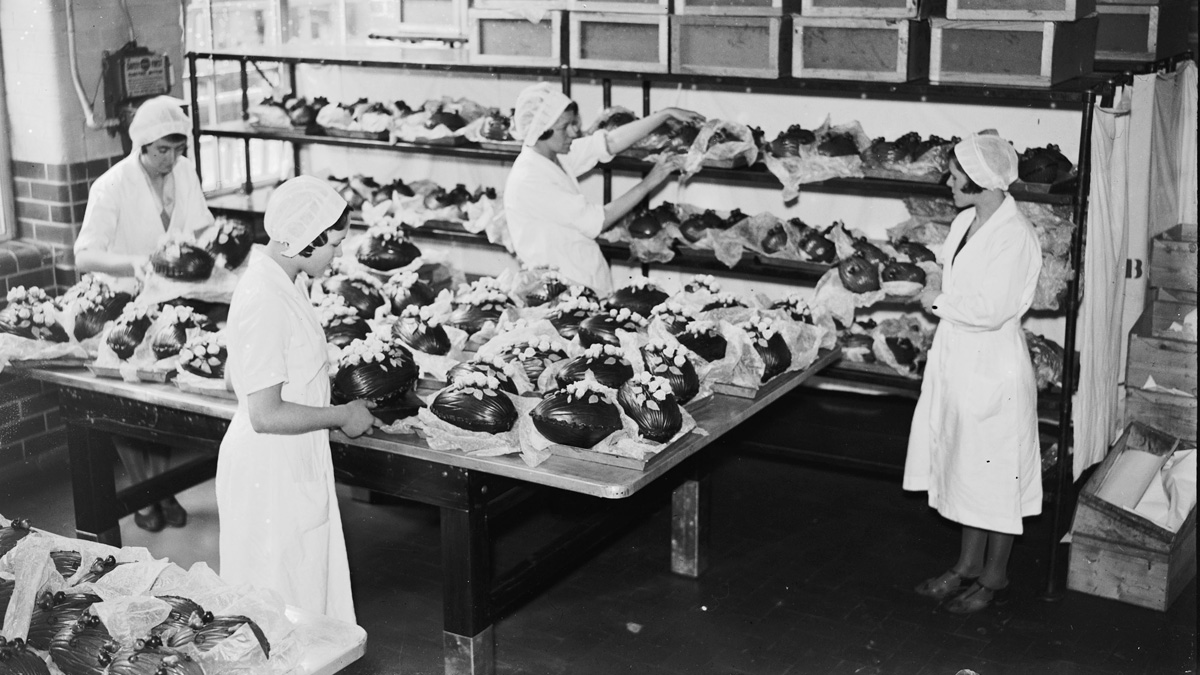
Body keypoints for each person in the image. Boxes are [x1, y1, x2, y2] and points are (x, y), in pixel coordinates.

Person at [216, 176, 379, 622]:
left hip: (289, 463)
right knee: (276, 613)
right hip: (268, 471)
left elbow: (236, 377)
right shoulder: (265, 296)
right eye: (336, 244)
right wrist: (341, 413)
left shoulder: (283, 281)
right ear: (307, 240)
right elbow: (265, 414)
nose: (340, 254)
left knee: (301, 600)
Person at [904, 134, 1043, 615]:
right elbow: (952, 272)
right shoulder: (965, 220)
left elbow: (991, 309)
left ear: (983, 181)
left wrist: (937, 301)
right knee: (966, 467)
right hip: (958, 360)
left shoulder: (1016, 236)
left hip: (993, 368)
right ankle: (965, 566)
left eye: (956, 174)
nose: (948, 181)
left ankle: (994, 576)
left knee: (997, 472)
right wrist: (931, 275)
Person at [75, 95, 215, 533]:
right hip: (119, 307)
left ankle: (159, 490)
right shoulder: (111, 186)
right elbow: (84, 255)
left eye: (177, 150)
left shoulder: (183, 172)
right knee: (127, 407)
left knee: (159, 400)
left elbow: (201, 226)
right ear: (140, 146)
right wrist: (135, 262)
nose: (171, 160)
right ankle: (147, 494)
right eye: (161, 152)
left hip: (167, 304)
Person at [503, 82, 704, 296]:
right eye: (565, 127)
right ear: (541, 131)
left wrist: (664, 114)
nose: (574, 132)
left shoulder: (552, 156)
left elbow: (609, 142)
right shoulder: (531, 179)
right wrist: (651, 180)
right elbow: (599, 220)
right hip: (563, 290)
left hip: (582, 278)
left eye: (573, 123)